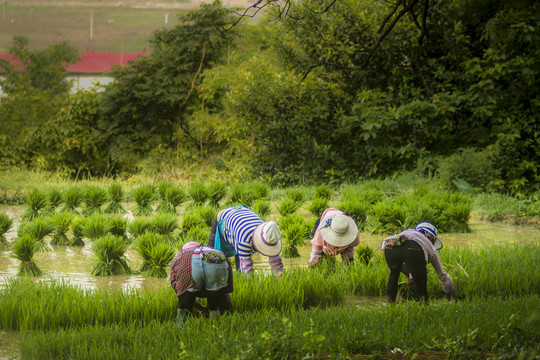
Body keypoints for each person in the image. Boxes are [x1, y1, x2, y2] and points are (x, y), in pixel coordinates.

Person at [382, 222, 455, 303]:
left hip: (389, 247)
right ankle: (423, 306)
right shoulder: (429, 246)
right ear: (430, 237)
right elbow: (442, 274)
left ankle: (390, 304)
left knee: (393, 275)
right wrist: (451, 293)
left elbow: (405, 257)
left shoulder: (407, 232)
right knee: (420, 281)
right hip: (414, 249)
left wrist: (409, 276)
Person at [169, 242, 233, 326]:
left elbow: (175, 283)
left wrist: (187, 299)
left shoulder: (182, 255)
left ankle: (180, 327)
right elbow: (224, 288)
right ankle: (216, 328)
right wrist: (225, 301)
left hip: (192, 265)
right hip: (218, 260)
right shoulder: (212, 250)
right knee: (216, 304)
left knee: (184, 306)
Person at [208, 206, 283, 276]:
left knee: (240, 265)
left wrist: (279, 279)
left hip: (241, 216)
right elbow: (246, 268)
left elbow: (276, 263)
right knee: (212, 258)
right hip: (225, 217)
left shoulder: (272, 234)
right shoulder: (245, 240)